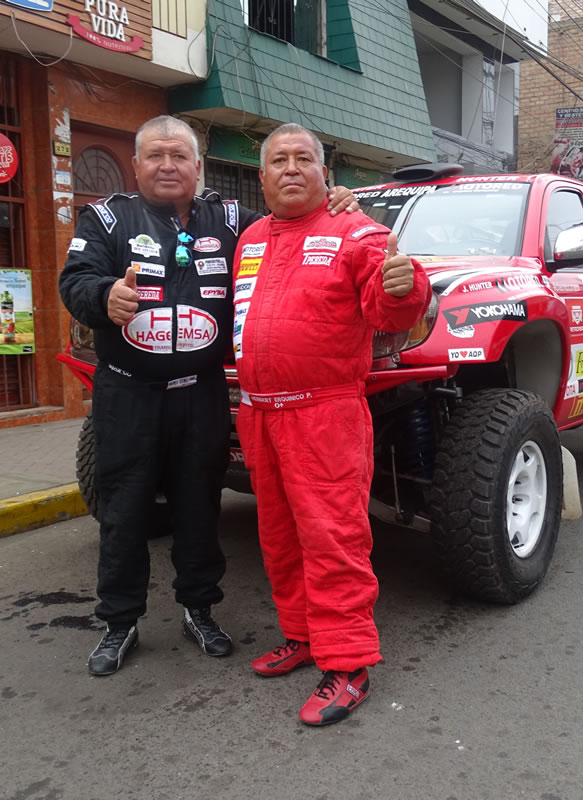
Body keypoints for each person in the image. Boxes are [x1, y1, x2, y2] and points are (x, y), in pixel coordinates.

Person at [58, 115, 357, 677]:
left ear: (198, 165)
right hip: (128, 394)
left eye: (179, 156)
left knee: (200, 506)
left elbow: (293, 225)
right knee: (124, 513)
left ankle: (200, 610)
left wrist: (337, 199)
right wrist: (102, 296)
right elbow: (74, 280)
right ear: (137, 162)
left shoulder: (232, 219)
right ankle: (119, 622)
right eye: (155, 156)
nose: (167, 166)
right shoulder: (104, 219)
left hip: (201, 396)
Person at [231, 123, 432, 725]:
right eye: (278, 161)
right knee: (280, 535)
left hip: (324, 413)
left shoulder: (358, 232)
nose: (290, 169)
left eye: (303, 160)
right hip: (260, 413)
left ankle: (347, 664)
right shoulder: (251, 239)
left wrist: (405, 287)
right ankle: (302, 635)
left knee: (333, 540)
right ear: (261, 177)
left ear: (325, 174)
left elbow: (387, 301)